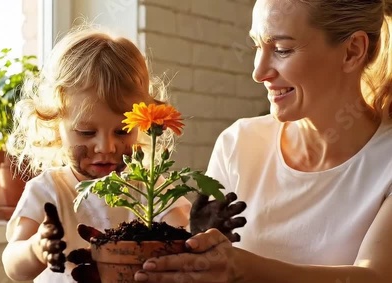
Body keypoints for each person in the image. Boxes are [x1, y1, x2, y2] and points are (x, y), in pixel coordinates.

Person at [131, 0, 392, 282]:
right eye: (257, 46)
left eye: (282, 50)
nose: (258, 72)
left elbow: (375, 275)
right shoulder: (238, 143)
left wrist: (242, 269)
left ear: (352, 51)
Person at [0, 25, 197, 283]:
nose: (106, 147)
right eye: (85, 132)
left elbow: (185, 244)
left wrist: (203, 230)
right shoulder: (48, 191)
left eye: (123, 131)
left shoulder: (151, 191)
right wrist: (38, 247)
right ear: (55, 124)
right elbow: (13, 267)